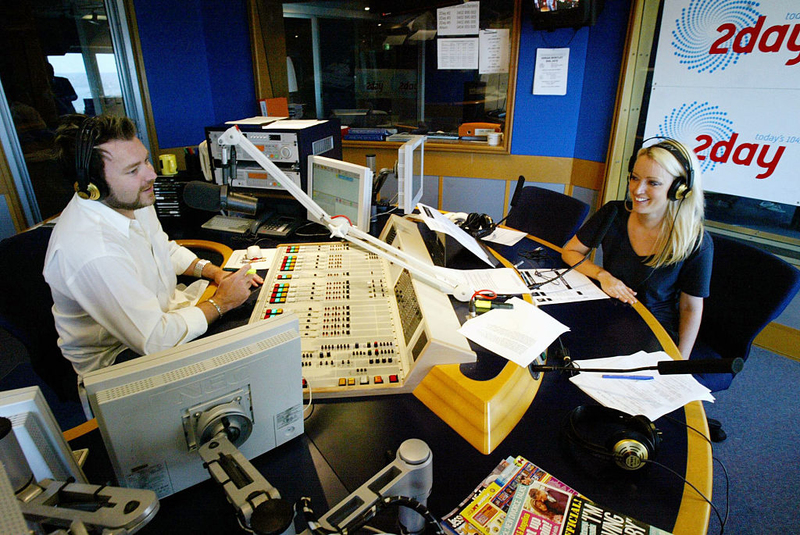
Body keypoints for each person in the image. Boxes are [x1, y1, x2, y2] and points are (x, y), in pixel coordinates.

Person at [43, 114, 262, 379]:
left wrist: (215, 272)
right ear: (94, 187)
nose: (151, 174)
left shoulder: (128, 199)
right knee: (250, 363)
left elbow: (164, 250)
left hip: (165, 320)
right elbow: (157, 341)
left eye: (145, 160)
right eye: (133, 170)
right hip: (122, 363)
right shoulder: (93, 251)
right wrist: (222, 303)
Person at [561, 138, 713, 359]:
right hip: (609, 312)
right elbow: (570, 252)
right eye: (634, 178)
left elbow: (690, 308)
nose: (637, 189)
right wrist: (603, 275)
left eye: (653, 183)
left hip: (652, 327)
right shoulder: (614, 213)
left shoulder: (695, 241)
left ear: (679, 189)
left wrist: (680, 363)